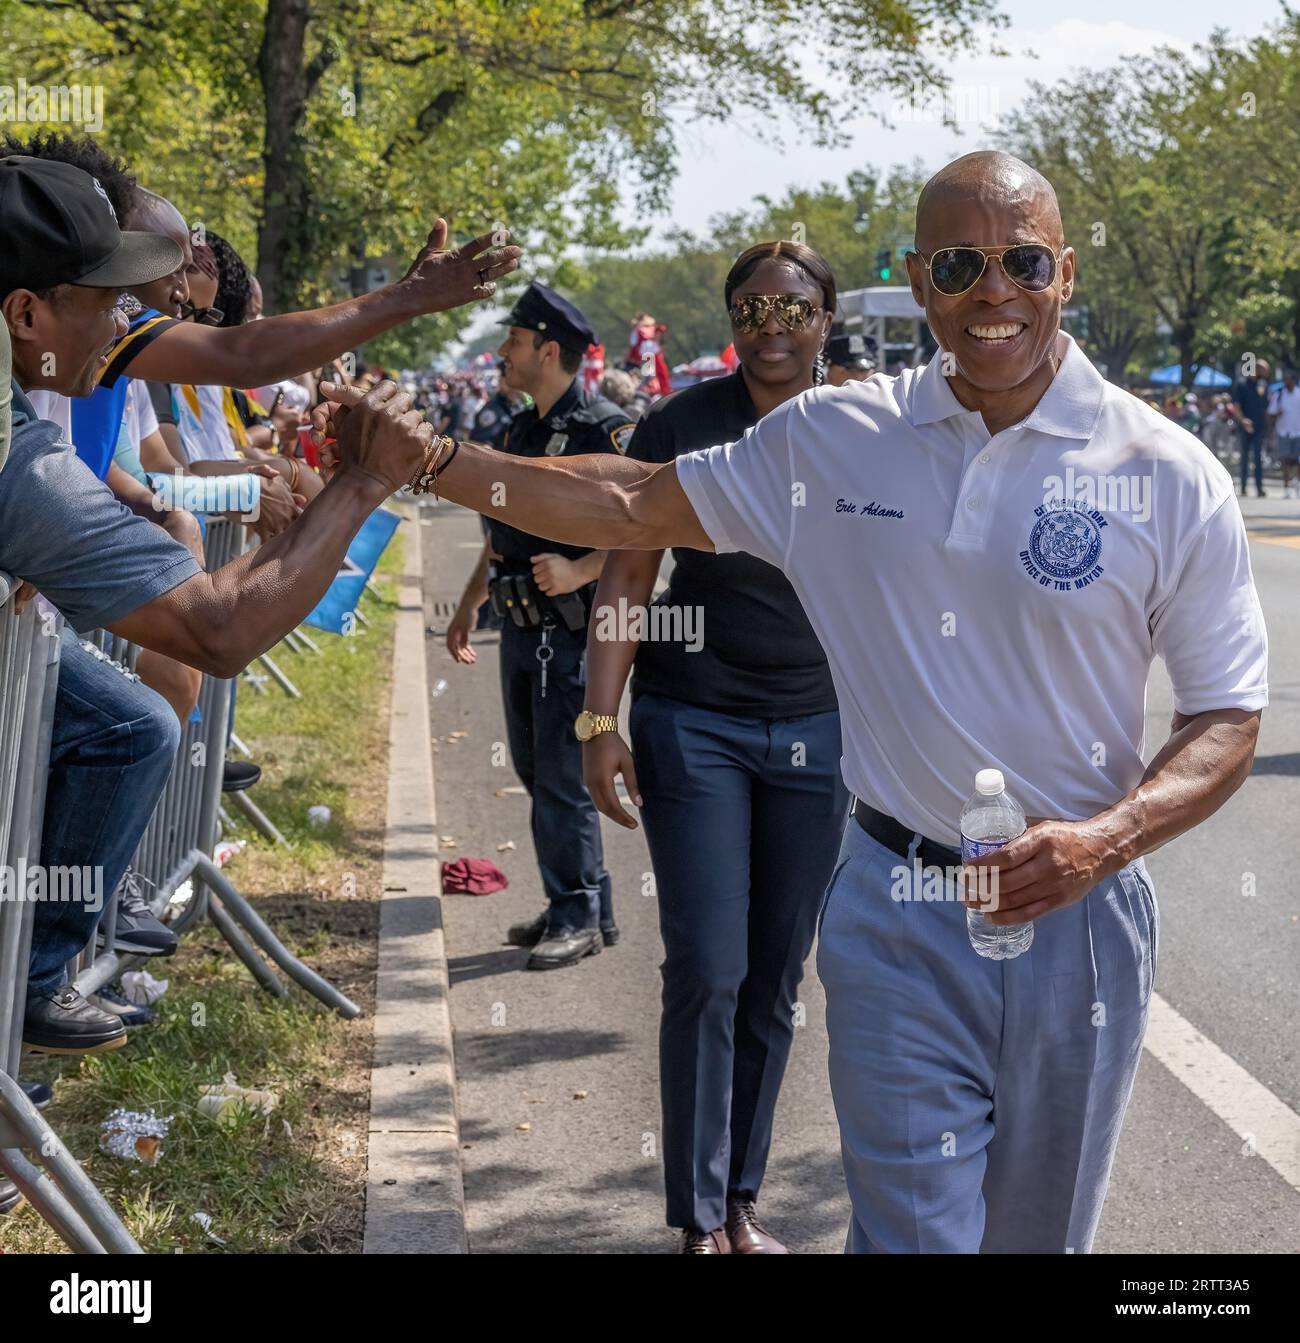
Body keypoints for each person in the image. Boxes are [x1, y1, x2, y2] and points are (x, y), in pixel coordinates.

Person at [315, 150, 1266, 1254]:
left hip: (1078, 920)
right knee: (911, 1233)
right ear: (918, 280)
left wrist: (1110, 837)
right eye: (960, 265)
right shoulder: (835, 437)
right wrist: (433, 458)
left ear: (1064, 271)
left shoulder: (1165, 470)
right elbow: (629, 504)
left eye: (1022, 262)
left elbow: (1227, 716)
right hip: (896, 905)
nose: (992, 292)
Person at [0, 154, 516, 1053]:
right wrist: (362, 481)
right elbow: (217, 627)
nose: (131, 320)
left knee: (127, 723)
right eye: (113, 297)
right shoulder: (15, 444)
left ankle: (28, 985)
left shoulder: (49, 339)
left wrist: (401, 300)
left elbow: (245, 353)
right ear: (28, 311)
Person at [582, 241, 849, 1253]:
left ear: (824, 318)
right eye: (752, 306)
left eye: (792, 306)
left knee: (776, 972)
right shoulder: (680, 425)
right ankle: (697, 1216)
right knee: (706, 962)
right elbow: (623, 578)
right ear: (731, 318)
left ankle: (740, 1196)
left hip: (818, 730)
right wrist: (599, 720)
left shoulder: (860, 429)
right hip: (693, 720)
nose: (771, 324)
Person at [445, 281, 634, 970]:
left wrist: (584, 570)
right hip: (519, 627)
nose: (504, 352)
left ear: (549, 350)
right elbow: (502, 536)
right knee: (535, 770)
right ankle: (587, 902)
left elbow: (649, 525)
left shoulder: (605, 429)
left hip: (571, 633)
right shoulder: (520, 428)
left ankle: (576, 911)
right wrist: (470, 601)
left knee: (561, 773)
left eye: (516, 342)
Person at [1232, 358, 1272, 498]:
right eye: (1265, 370)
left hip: (1259, 427)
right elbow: (1236, 406)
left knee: (1258, 457)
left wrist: (1270, 427)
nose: (1266, 373)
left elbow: (1267, 407)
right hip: (1244, 427)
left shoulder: (1263, 385)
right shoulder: (1241, 383)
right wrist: (1243, 420)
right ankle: (1243, 487)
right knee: (1244, 458)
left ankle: (1259, 488)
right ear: (1256, 368)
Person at [1268, 369, 1300, 498]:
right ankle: (1287, 487)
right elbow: (1270, 414)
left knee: (1297, 461)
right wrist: (1277, 415)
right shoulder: (1279, 395)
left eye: (1289, 379)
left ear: (1294, 381)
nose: (1287, 382)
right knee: (1285, 461)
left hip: (1298, 432)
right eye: (1285, 379)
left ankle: (1297, 483)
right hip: (1283, 432)